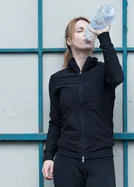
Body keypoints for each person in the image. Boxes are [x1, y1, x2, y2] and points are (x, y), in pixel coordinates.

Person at [41, 16, 124, 187]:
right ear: (68, 41)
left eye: (88, 30)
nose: (86, 33)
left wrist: (103, 35)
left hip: (101, 158)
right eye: (80, 30)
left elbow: (118, 76)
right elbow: (55, 122)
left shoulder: (104, 72)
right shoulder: (57, 79)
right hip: (67, 159)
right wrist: (48, 156)